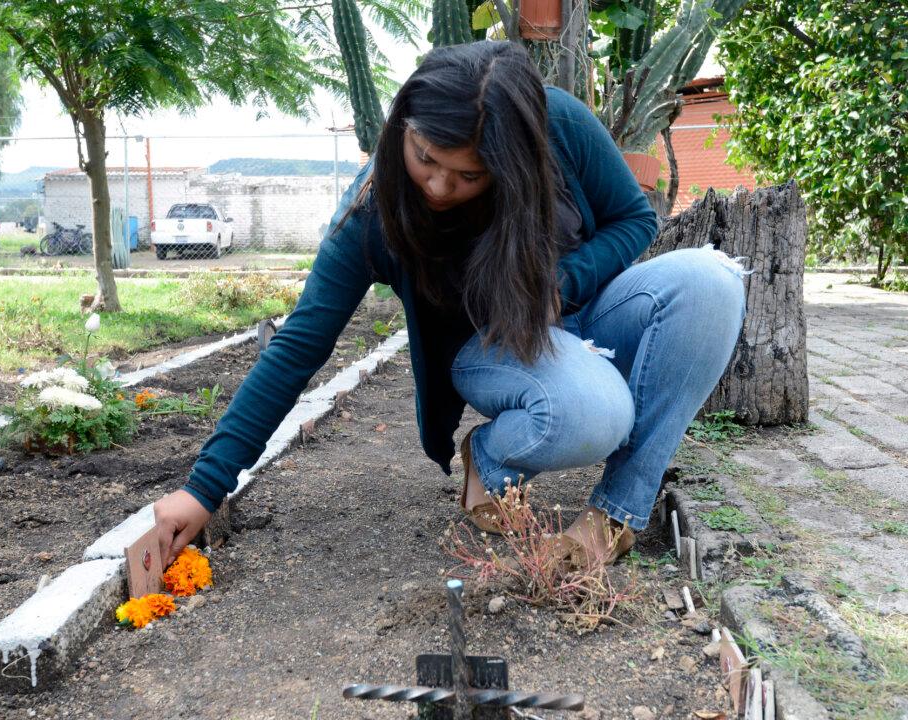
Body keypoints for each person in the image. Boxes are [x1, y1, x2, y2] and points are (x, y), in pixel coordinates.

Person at [154, 41, 746, 569]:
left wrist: (559, 284)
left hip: (584, 314)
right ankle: (486, 463)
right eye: (426, 158)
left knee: (712, 280)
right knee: (595, 414)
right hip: (496, 345)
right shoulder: (373, 213)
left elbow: (634, 218)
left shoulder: (556, 124)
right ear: (403, 129)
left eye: (468, 175)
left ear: (511, 161)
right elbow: (299, 344)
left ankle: (615, 513)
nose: (438, 186)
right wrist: (205, 488)